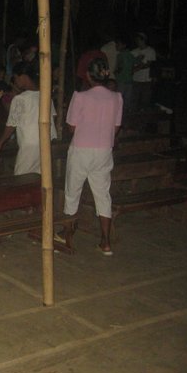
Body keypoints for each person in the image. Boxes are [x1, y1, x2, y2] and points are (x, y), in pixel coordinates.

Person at [62, 58, 123, 256]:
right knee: (103, 194)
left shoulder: (80, 97)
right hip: (104, 150)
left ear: (88, 76)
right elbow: (116, 128)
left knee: (72, 192)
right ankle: (105, 242)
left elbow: (72, 127)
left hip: (81, 149)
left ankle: (67, 236)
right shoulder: (116, 98)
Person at [0, 61, 57, 175]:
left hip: (29, 145)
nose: (15, 81)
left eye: (16, 77)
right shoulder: (46, 96)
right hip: (45, 143)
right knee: (40, 177)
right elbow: (52, 120)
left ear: (23, 77)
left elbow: (11, 125)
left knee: (21, 177)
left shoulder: (20, 99)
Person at [131, 32, 156, 110]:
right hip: (136, 79)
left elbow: (149, 64)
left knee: (145, 99)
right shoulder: (133, 51)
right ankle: (134, 113)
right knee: (134, 98)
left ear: (144, 40)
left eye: (138, 40)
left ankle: (144, 113)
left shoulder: (151, 51)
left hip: (146, 79)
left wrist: (136, 68)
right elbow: (130, 64)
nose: (137, 41)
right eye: (136, 40)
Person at [115, 35, 136, 116]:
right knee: (127, 100)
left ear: (124, 45)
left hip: (121, 81)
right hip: (129, 80)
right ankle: (127, 115)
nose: (116, 46)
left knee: (119, 99)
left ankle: (119, 115)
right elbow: (136, 63)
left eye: (118, 44)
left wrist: (115, 72)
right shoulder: (130, 55)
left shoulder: (120, 55)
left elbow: (119, 68)